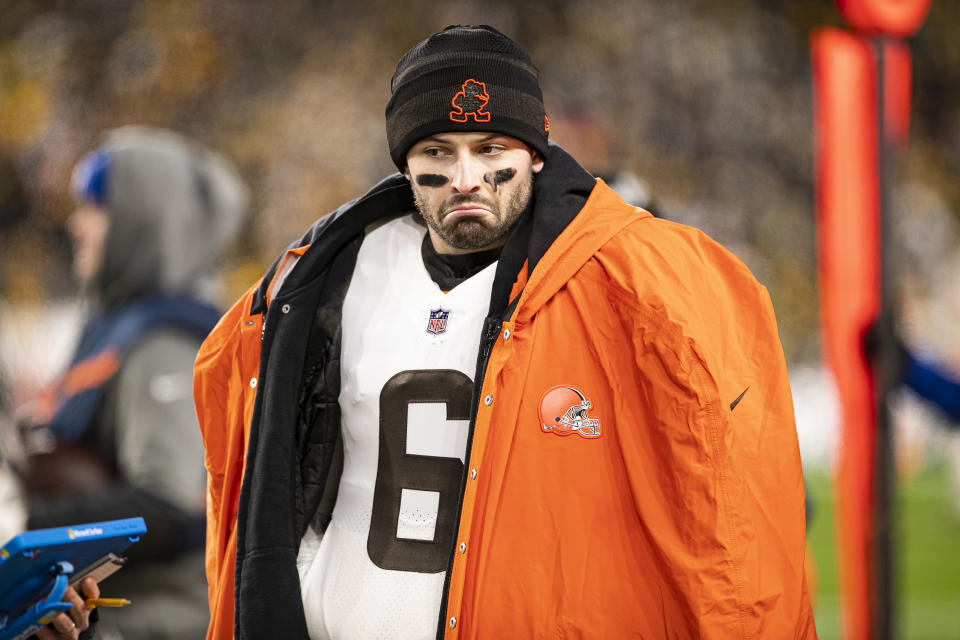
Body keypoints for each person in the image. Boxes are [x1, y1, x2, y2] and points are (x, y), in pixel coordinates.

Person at [195, 25, 815, 639]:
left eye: (492, 149)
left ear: (537, 151)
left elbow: (728, 514)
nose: (467, 177)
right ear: (404, 161)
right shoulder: (330, 274)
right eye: (437, 151)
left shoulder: (636, 281)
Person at [15, 127, 248, 640]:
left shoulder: (166, 340)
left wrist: (24, 522)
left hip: (159, 617)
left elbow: (167, 503)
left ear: (142, 221)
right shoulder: (115, 325)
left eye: (94, 209)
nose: (77, 226)